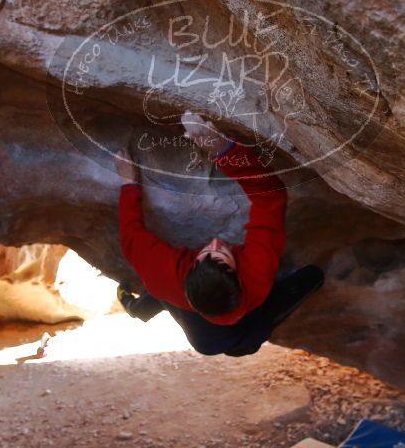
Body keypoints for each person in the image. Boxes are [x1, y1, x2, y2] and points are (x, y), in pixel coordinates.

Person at [113, 111, 324, 356]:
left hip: (199, 328)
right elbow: (270, 196)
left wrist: (128, 184)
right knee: (311, 279)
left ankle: (139, 309)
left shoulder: (164, 275)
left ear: (189, 272)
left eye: (206, 254)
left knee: (161, 291)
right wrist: (225, 151)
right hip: (228, 332)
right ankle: (243, 344)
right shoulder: (256, 274)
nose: (215, 243)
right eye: (222, 254)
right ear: (240, 277)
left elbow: (131, 234)